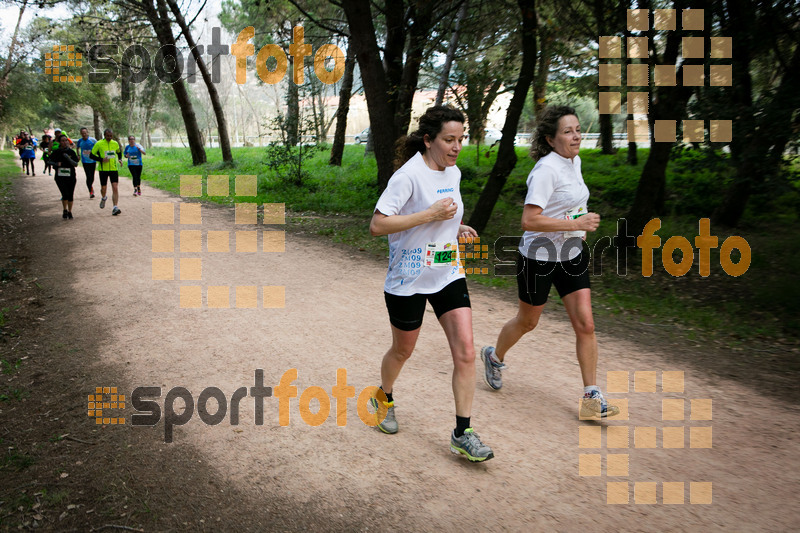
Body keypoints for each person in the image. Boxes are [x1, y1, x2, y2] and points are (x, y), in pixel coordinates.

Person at [368, 105, 494, 462]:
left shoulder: (451, 172)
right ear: (428, 140)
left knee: (466, 352)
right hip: (408, 277)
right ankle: (384, 396)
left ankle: (462, 432)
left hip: (446, 272)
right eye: (449, 140)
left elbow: (447, 212)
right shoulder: (407, 176)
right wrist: (430, 216)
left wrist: (456, 227)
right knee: (403, 351)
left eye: (460, 140)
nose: (456, 147)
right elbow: (378, 225)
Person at [478, 105, 619, 419]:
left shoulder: (574, 161)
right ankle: (494, 356)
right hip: (538, 257)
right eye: (568, 132)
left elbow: (570, 203)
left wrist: (576, 225)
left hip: (571, 255)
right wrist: (575, 224)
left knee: (586, 324)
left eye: (578, 130)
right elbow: (529, 220)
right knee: (528, 322)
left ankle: (591, 396)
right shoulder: (545, 170)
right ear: (550, 139)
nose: (576, 136)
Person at [90, 128, 123, 215]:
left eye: (111, 136)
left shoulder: (115, 143)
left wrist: (120, 159)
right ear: (104, 135)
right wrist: (101, 159)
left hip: (113, 169)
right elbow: (91, 155)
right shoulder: (99, 143)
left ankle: (115, 207)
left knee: (115, 187)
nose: (109, 137)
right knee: (103, 188)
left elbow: (119, 152)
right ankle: (104, 197)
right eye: (108, 136)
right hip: (103, 170)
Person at [49, 134, 80, 219]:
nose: (65, 142)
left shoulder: (71, 152)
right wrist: (56, 164)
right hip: (60, 177)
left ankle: (70, 211)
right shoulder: (56, 152)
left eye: (66, 140)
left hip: (71, 176)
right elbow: (49, 161)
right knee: (64, 194)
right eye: (62, 140)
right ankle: (64, 209)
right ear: (59, 142)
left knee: (70, 194)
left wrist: (68, 158)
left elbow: (76, 164)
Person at [75, 127, 98, 198]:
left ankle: (91, 187)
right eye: (82, 133)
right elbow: (77, 147)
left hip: (92, 161)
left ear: (87, 133)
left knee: (92, 177)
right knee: (88, 176)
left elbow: (98, 147)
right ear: (81, 134)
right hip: (85, 161)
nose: (84, 134)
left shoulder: (93, 140)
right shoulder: (80, 141)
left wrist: (97, 155)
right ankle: (90, 191)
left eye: (85, 133)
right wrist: (78, 155)